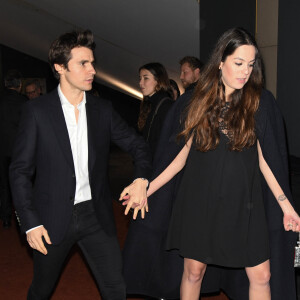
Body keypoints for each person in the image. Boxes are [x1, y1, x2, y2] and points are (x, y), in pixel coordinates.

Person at [122, 28, 299, 300]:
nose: (245, 72)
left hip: (245, 203)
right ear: (220, 61)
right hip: (199, 201)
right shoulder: (196, 101)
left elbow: (267, 161)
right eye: (238, 63)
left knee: (262, 275)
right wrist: (148, 188)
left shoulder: (260, 101)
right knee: (194, 270)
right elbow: (179, 156)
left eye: (250, 65)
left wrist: (286, 205)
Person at [9, 29, 152, 300]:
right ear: (60, 67)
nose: (92, 70)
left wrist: (141, 180)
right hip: (51, 219)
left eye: (92, 63)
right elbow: (19, 171)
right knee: (41, 289)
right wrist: (30, 223)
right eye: (83, 63)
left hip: (95, 215)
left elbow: (139, 145)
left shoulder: (102, 110)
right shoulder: (37, 112)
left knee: (115, 288)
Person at [0, 69, 27, 228]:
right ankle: (22, 219)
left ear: (5, 84)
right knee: (21, 185)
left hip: (2, 150)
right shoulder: (24, 103)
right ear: (19, 85)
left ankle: (5, 218)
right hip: (20, 151)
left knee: (4, 184)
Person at [138, 62, 173, 156]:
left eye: (146, 78)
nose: (140, 83)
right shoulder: (151, 103)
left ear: (158, 80)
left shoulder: (166, 106)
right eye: (140, 78)